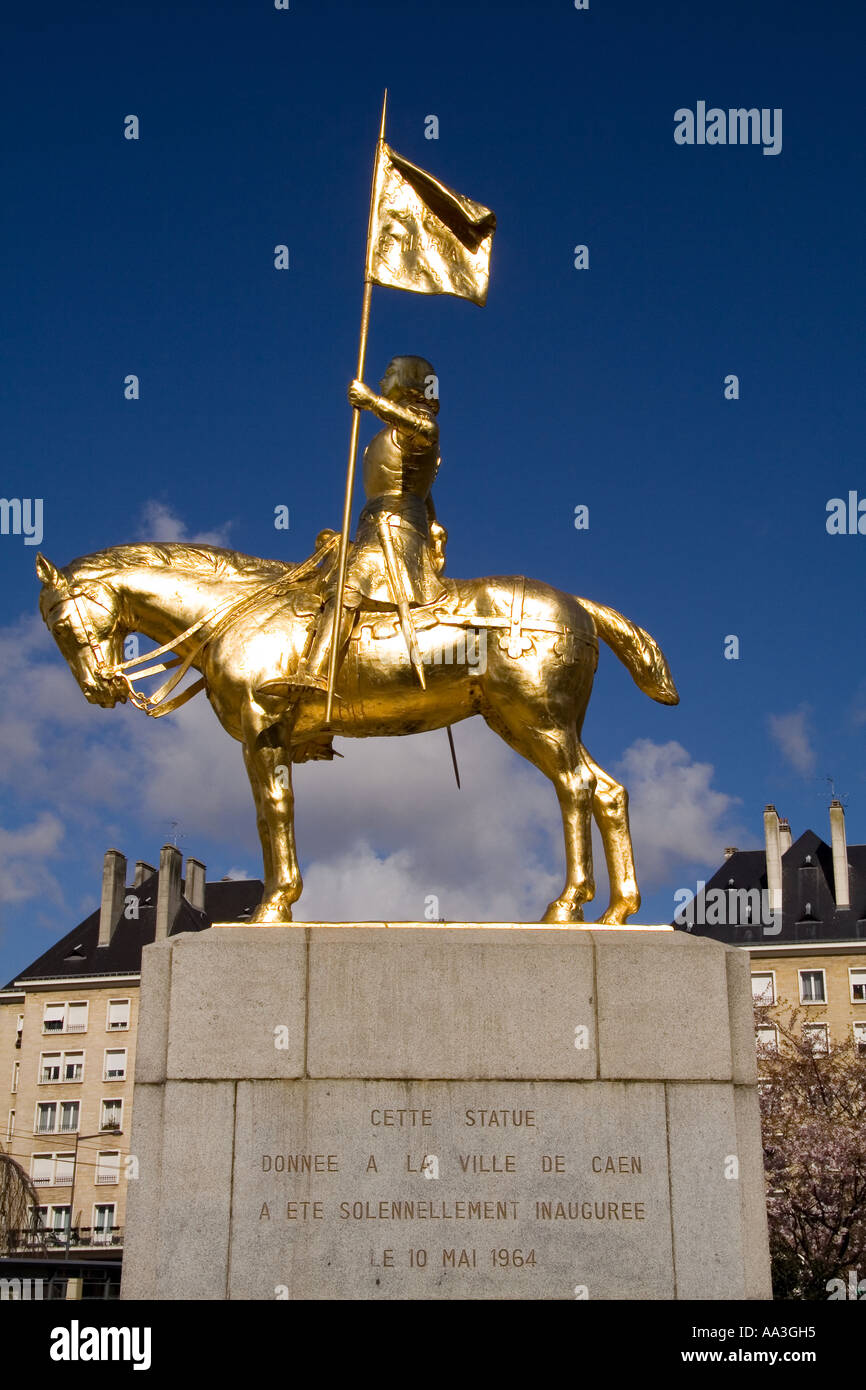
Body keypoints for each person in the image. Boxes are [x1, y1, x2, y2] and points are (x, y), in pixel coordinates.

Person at [261, 355, 447, 701]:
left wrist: (371, 402)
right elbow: (424, 492)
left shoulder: (419, 424)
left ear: (409, 380)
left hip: (395, 529)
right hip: (374, 526)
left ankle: (317, 673)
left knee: (348, 582)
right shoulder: (388, 434)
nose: (381, 379)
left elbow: (424, 433)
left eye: (390, 373)